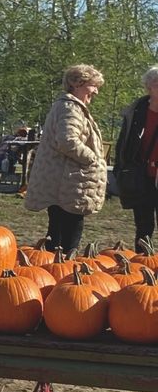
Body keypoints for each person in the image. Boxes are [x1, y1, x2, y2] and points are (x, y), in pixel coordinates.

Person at [24, 64, 107, 254]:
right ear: (76, 83)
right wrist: (93, 159)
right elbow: (68, 141)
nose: (96, 91)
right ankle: (63, 272)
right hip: (67, 183)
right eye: (93, 85)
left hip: (63, 182)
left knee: (58, 229)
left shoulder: (68, 106)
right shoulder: (71, 108)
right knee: (68, 233)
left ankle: (57, 269)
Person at [114, 66, 158, 252]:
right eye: (157, 83)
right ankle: (143, 266)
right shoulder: (136, 112)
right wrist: (121, 168)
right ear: (148, 87)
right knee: (143, 226)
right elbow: (123, 143)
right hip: (142, 176)